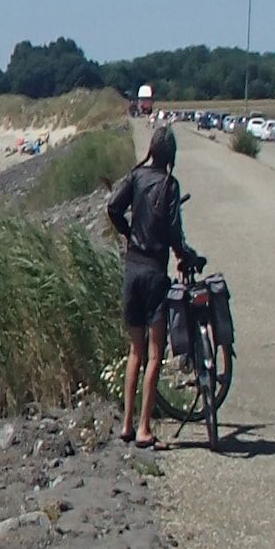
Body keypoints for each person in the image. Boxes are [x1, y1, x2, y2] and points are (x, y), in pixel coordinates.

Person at [107, 126, 202, 449]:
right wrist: (185, 255)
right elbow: (174, 232)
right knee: (154, 355)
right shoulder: (169, 185)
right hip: (155, 274)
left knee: (134, 352)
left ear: (151, 150)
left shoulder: (135, 178)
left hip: (132, 269)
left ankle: (126, 424)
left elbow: (112, 208)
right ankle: (145, 427)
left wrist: (128, 233)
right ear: (171, 156)